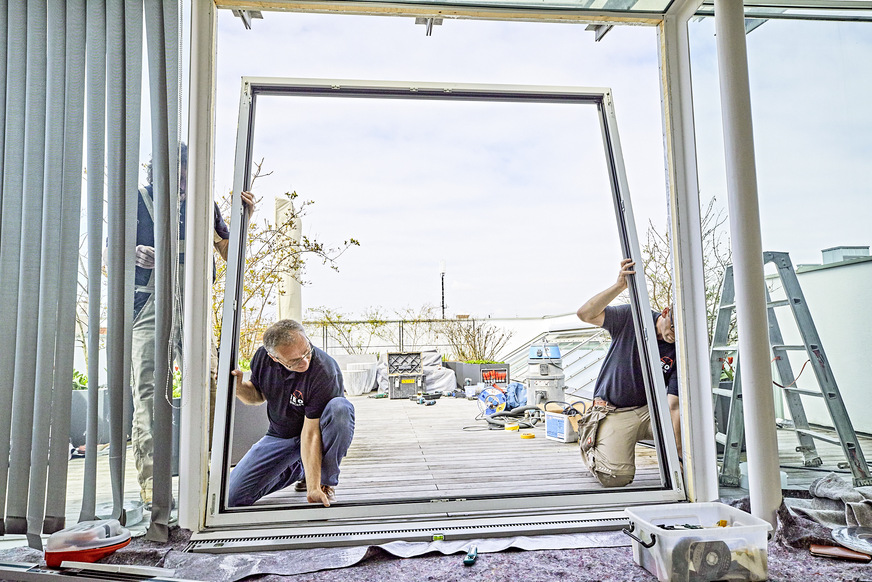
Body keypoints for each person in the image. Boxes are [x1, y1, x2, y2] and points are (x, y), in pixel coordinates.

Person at [130, 143, 255, 507]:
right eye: (176, 171)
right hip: (149, 306)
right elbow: (112, 251)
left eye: (188, 171)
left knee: (211, 383)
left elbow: (229, 252)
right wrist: (134, 253)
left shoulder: (205, 206)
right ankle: (154, 490)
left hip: (195, 304)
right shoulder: (137, 200)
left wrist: (245, 219)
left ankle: (211, 476)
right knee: (149, 392)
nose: (183, 178)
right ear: (159, 173)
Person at [575, 258, 680, 488]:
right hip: (616, 411)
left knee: (697, 423)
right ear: (665, 313)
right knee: (615, 478)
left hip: (651, 411)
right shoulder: (632, 317)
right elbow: (585, 314)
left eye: (680, 333)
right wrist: (619, 287)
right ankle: (592, 443)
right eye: (673, 328)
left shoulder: (678, 349)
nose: (674, 335)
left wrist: (680, 460)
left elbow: (674, 405)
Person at [228, 319, 355, 507]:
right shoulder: (263, 358)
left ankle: (324, 481)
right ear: (274, 358)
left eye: (306, 351)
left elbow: (311, 433)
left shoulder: (324, 369)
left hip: (317, 434)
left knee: (341, 409)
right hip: (280, 436)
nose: (304, 361)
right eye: (295, 361)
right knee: (232, 497)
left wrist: (313, 489)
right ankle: (301, 470)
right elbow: (256, 396)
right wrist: (237, 388)